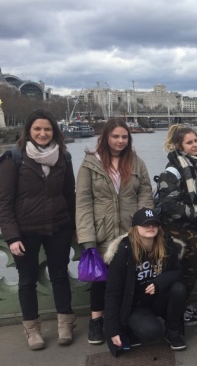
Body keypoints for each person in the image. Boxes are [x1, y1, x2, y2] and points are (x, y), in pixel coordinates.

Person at [0, 109, 76, 350]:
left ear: (54, 131)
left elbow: (69, 195)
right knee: (27, 280)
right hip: (26, 231)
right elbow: (4, 201)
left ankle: (65, 322)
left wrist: (74, 226)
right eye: (37, 129)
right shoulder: (14, 158)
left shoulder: (64, 157)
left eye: (47, 129)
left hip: (59, 227)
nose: (43, 133)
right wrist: (12, 236)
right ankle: (32, 329)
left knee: (60, 275)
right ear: (29, 131)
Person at [76, 118, 153, 345]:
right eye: (115, 136)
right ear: (106, 137)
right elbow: (83, 202)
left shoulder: (136, 162)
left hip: (129, 231)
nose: (120, 141)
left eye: (124, 137)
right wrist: (87, 238)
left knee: (128, 279)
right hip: (102, 230)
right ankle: (96, 322)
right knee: (100, 280)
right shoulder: (90, 163)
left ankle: (123, 320)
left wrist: (143, 225)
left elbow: (145, 194)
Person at [157, 124, 197, 326]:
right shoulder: (173, 171)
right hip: (180, 232)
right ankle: (175, 309)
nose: (195, 145)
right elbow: (168, 205)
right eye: (189, 142)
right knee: (182, 272)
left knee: (192, 271)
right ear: (178, 146)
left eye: (196, 140)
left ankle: (182, 305)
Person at [104, 207, 187, 352]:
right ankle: (131, 328)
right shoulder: (123, 251)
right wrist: (113, 330)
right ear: (135, 227)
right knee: (151, 331)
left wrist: (158, 283)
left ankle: (173, 332)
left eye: (154, 223)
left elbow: (178, 271)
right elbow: (112, 293)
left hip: (157, 298)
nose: (150, 227)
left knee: (178, 289)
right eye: (146, 224)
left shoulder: (166, 242)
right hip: (135, 304)